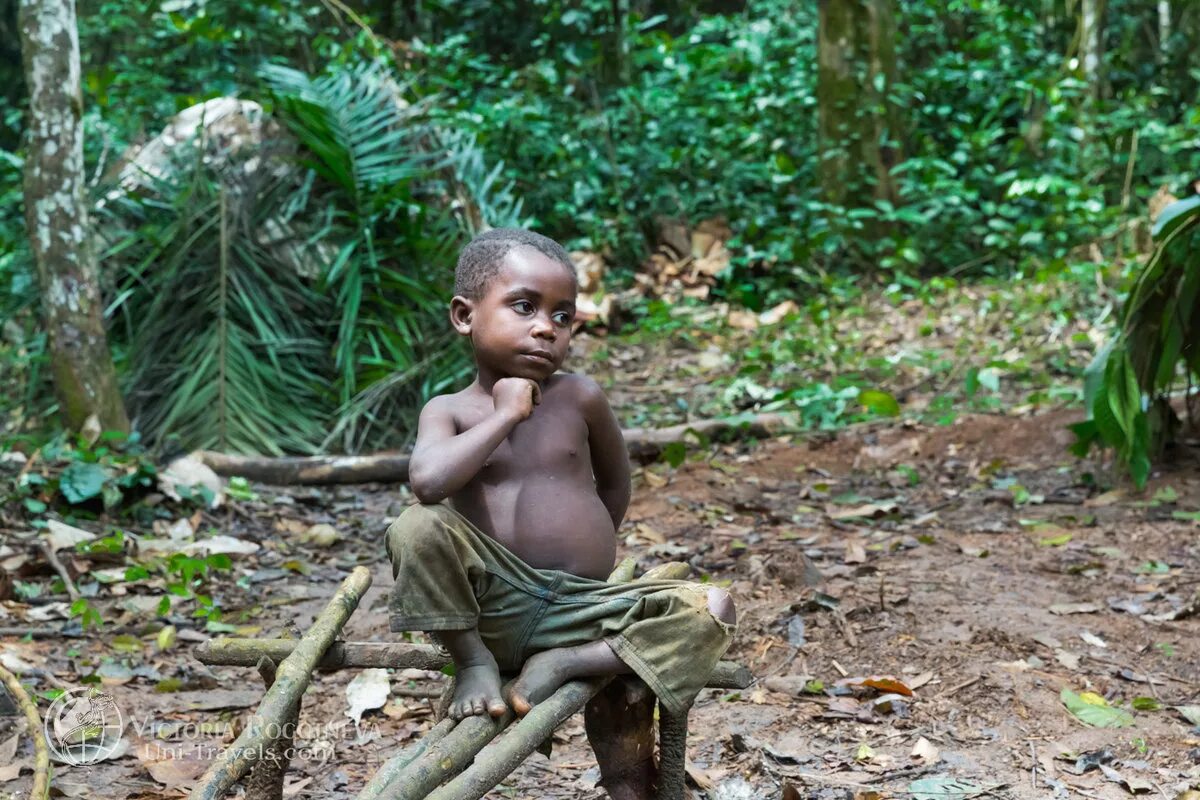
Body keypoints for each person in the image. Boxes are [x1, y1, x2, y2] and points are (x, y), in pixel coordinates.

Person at [384, 228, 736, 797]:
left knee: (712, 606)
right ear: (463, 316)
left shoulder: (580, 397)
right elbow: (427, 484)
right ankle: (472, 662)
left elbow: (615, 485)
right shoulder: (448, 409)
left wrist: (590, 549)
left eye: (563, 316)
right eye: (524, 307)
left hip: (583, 611)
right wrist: (504, 416)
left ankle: (572, 661)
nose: (546, 327)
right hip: (492, 607)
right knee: (414, 525)